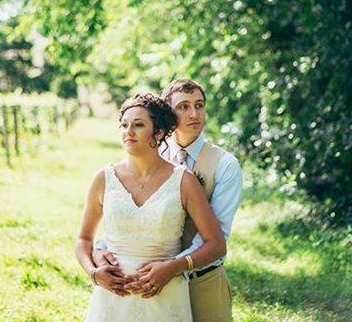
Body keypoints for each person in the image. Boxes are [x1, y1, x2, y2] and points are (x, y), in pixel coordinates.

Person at [95, 79, 243, 321]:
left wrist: (171, 268)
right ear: (167, 115)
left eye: (199, 105)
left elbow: (219, 235)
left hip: (203, 278)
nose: (194, 114)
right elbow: (129, 211)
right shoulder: (150, 150)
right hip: (147, 282)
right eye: (183, 107)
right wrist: (104, 249)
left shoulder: (225, 165)